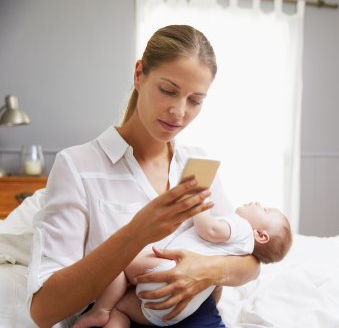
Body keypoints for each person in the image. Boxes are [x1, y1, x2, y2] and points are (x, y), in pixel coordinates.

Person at [27, 25, 261, 328]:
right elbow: (43, 311)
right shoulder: (77, 166)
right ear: (139, 75)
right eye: (168, 90)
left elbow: (250, 263)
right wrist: (136, 232)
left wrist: (205, 271)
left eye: (195, 100)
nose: (179, 112)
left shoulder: (197, 163)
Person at [72, 202, 293, 327]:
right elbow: (218, 286)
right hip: (173, 312)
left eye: (264, 210)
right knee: (123, 309)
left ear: (261, 236)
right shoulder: (241, 249)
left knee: (120, 260)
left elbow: (210, 229)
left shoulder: (242, 227)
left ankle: (101, 311)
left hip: (167, 273)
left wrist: (198, 205)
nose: (257, 203)